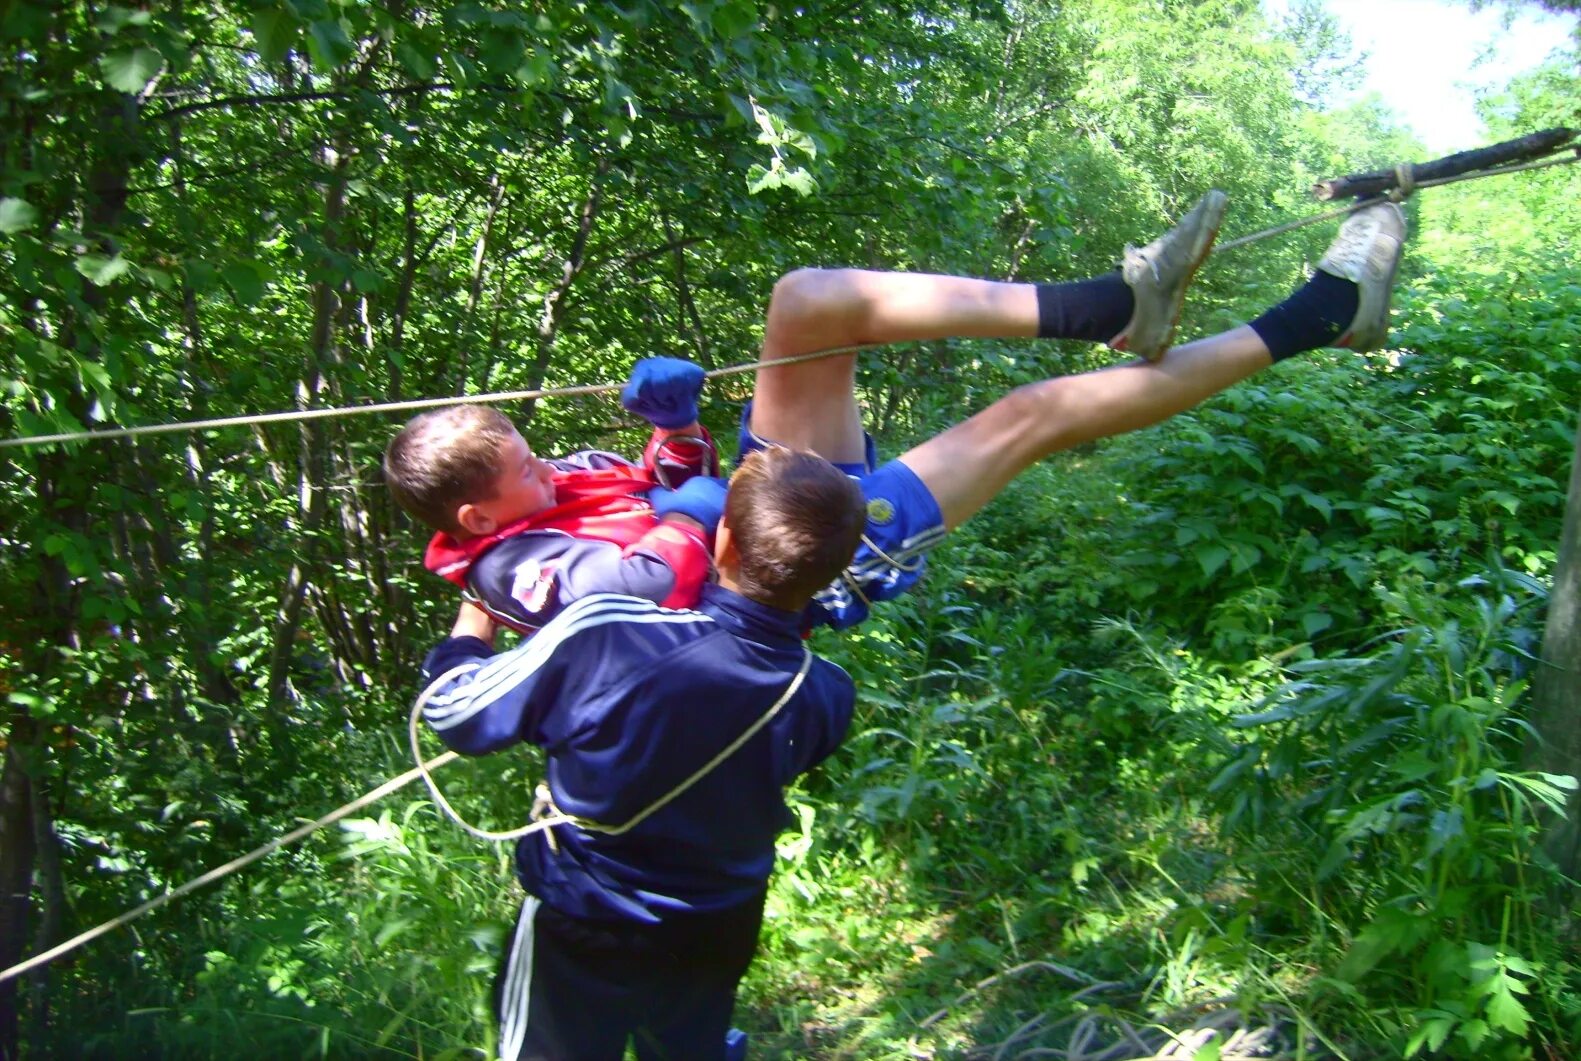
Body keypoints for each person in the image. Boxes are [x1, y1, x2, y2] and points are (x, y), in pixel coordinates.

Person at [418, 446, 868, 1060]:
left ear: (724, 537)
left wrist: (475, 617)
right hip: (720, 922)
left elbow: (454, 715)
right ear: (834, 569)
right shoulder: (827, 695)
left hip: (586, 922)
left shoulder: (608, 633)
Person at [383, 391, 731, 634]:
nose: (548, 470)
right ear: (479, 520)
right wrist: (686, 518)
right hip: (714, 655)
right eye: (524, 470)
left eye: (532, 455)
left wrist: (676, 428)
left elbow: (674, 484)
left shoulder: (566, 480)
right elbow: (647, 588)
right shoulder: (511, 570)